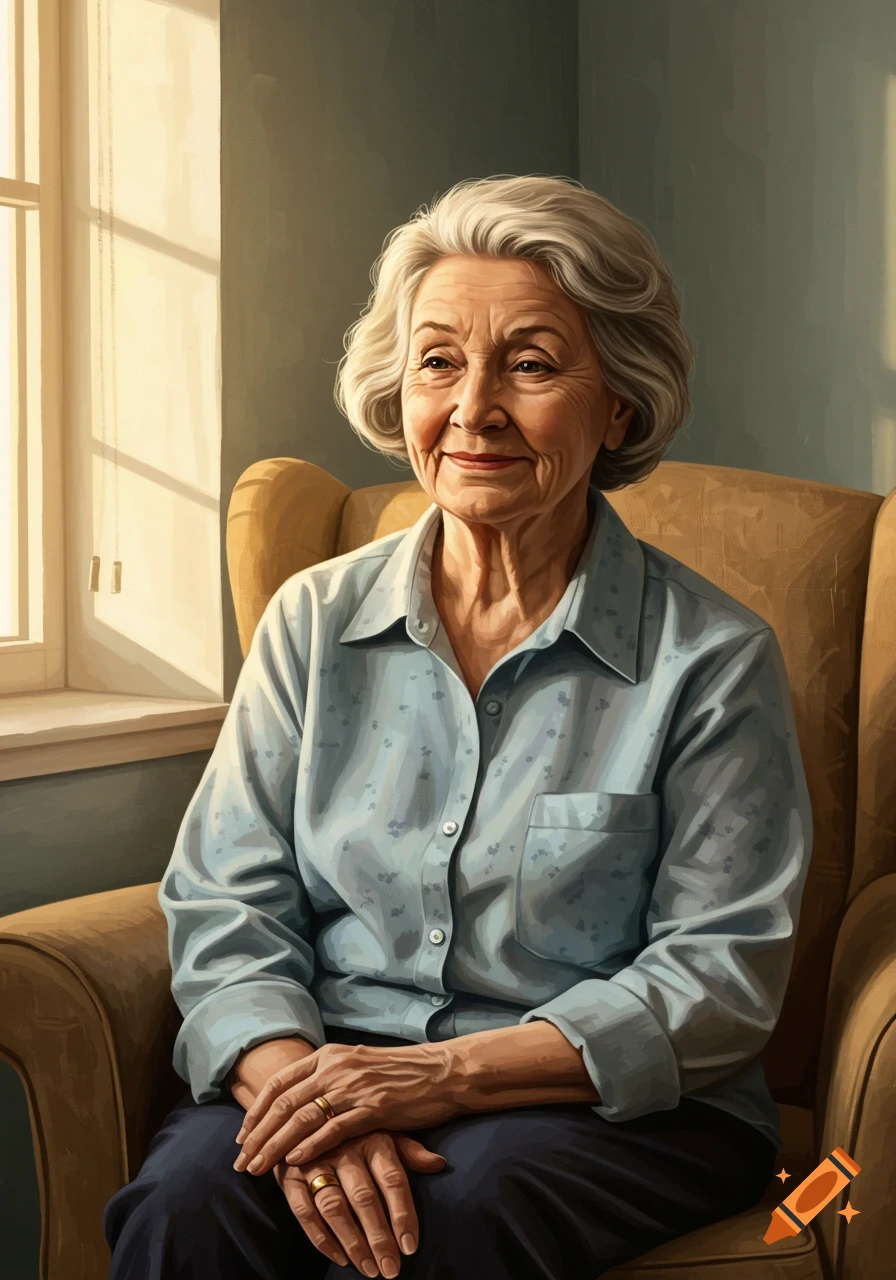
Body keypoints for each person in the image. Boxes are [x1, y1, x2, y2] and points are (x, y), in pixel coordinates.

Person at [104, 175, 811, 1279]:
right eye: (437, 360)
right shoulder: (314, 620)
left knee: (443, 1223)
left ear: (616, 402)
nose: (471, 406)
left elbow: (716, 974)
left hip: (602, 1102)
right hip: (330, 1063)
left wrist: (439, 1079)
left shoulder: (709, 659)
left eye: (528, 364)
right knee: (188, 1201)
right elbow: (227, 894)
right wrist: (305, 1087)